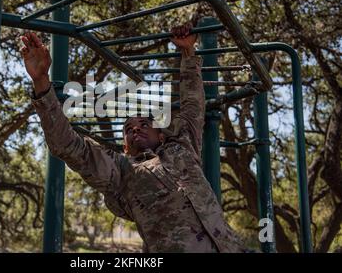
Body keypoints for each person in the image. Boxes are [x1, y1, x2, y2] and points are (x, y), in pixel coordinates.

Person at [20, 22, 245, 252]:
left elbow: (192, 105)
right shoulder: (120, 171)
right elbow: (67, 145)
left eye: (144, 124)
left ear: (161, 135)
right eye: (128, 129)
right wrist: (41, 81)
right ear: (125, 147)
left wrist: (188, 52)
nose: (136, 129)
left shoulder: (183, 145)